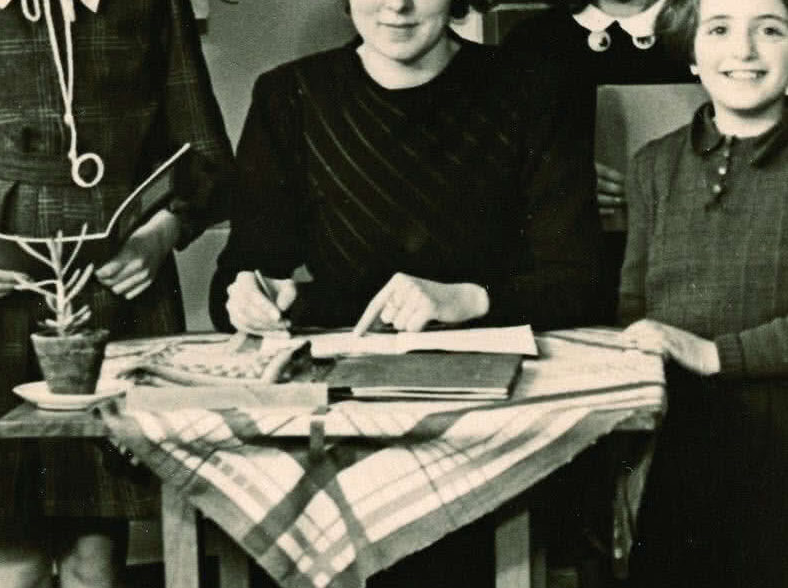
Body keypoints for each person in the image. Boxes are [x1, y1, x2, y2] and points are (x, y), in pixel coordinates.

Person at [618, 0, 788, 588]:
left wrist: (717, 354)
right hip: (684, 446)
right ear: (691, 50)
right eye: (719, 29)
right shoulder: (653, 167)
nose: (742, 51)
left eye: (769, 30)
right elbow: (633, 306)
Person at [0, 1, 234, 588]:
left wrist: (160, 237)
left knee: (95, 550)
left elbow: (202, 153)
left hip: (114, 277)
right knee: (10, 549)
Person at [209, 0, 604, 337]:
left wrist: (466, 299)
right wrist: (250, 299)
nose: (398, 4)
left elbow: (581, 287)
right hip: (343, 377)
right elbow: (239, 275)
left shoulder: (536, 89)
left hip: (499, 373)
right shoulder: (288, 96)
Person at [502, 0, 696, 323]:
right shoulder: (531, 42)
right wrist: (561, 179)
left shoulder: (710, 28)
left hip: (684, 277)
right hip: (564, 286)